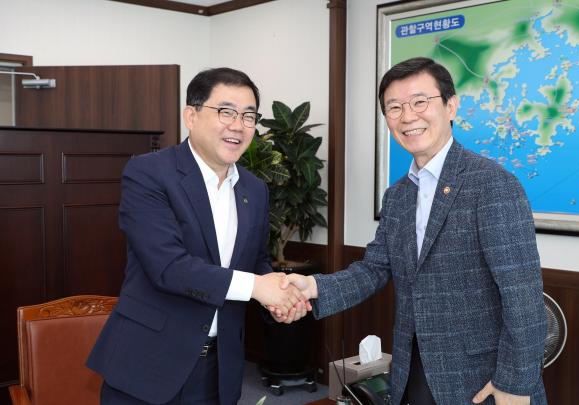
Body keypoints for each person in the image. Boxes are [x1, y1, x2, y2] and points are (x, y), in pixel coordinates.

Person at [283, 57, 547, 405]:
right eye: (394, 107)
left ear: (451, 106)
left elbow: (523, 294)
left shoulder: (492, 184)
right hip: (414, 370)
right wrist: (314, 287)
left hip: (483, 378)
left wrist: (515, 384)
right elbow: (374, 268)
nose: (407, 116)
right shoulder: (398, 195)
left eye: (420, 102)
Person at [87, 67, 308, 405]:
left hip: (219, 369)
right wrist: (256, 287)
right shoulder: (149, 173)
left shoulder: (255, 189)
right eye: (226, 112)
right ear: (191, 116)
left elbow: (256, 261)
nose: (238, 125)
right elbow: (168, 267)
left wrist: (275, 299)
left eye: (248, 116)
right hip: (147, 364)